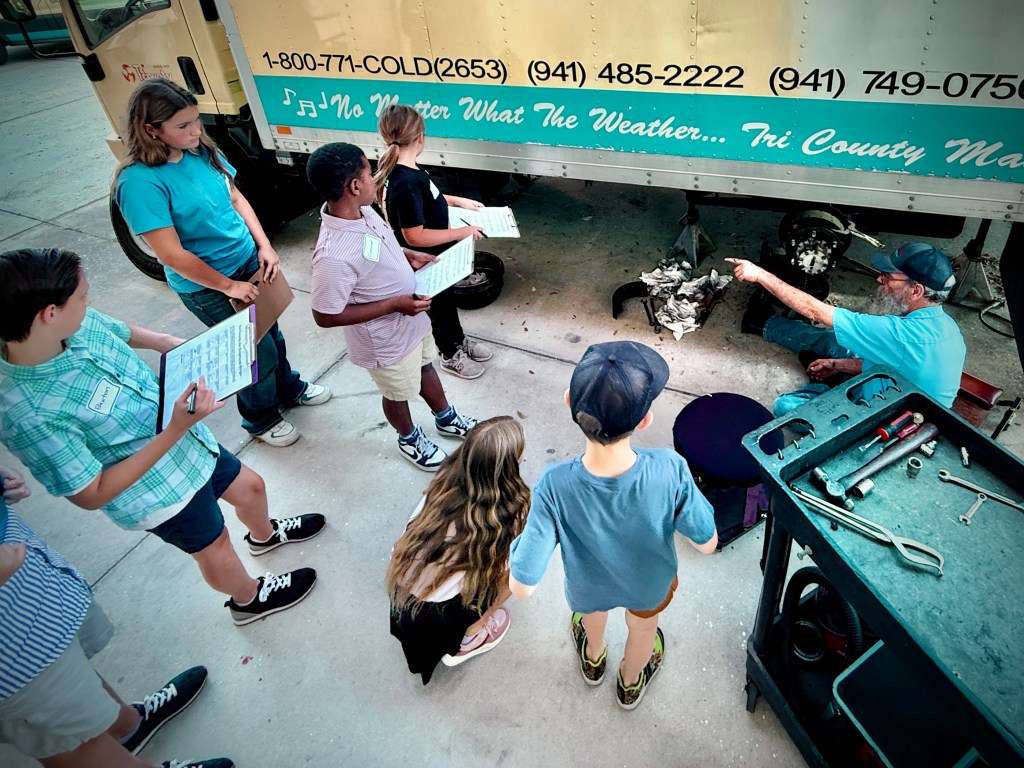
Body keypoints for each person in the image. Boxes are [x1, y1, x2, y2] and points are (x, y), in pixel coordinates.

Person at [0, 248, 322, 626]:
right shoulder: (28, 414)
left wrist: (163, 341)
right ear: (49, 314)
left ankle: (264, 536)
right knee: (215, 545)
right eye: (82, 297)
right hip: (155, 491)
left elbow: (116, 330)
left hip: (186, 444)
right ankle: (248, 600)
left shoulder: (74, 325)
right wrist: (175, 429)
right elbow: (91, 493)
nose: (88, 303)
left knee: (251, 488)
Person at [114, 78, 330, 447]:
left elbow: (235, 198)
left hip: (248, 263)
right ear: (151, 130)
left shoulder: (199, 150)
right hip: (210, 285)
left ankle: (288, 387)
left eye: (196, 120)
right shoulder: (139, 183)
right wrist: (229, 286)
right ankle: (260, 419)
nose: (196, 130)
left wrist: (264, 245)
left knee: (271, 333)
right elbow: (170, 254)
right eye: (183, 125)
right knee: (252, 351)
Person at [508, 341, 718, 710]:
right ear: (645, 420)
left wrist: (518, 545)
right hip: (649, 586)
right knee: (644, 629)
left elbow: (521, 588)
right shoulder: (670, 469)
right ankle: (630, 681)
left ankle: (593, 658)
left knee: (590, 615)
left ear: (569, 402)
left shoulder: (553, 485)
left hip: (588, 587)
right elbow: (707, 543)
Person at [0, 464, 231, 768]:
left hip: (24, 584)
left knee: (65, 669)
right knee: (66, 736)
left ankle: (127, 727)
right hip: (9, 649)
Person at [306, 142, 478, 472]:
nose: (374, 177)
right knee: (397, 392)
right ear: (354, 186)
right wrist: (393, 305)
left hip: (411, 321)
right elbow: (324, 315)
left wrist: (406, 254)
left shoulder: (364, 211)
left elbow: (380, 246)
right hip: (385, 341)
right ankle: (408, 437)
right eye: (368, 173)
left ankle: (445, 417)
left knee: (425, 367)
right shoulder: (332, 255)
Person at [728, 242, 967, 415]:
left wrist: (760, 275)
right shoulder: (947, 327)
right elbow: (896, 364)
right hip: (892, 387)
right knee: (834, 341)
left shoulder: (900, 334)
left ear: (916, 291)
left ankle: (832, 390)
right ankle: (764, 324)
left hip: (882, 419)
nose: (880, 280)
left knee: (786, 407)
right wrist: (837, 365)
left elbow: (815, 312)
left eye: (888, 277)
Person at [386, 416, 529, 684]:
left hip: (402, 592)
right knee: (522, 569)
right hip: (439, 615)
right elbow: (507, 568)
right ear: (508, 467)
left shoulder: (444, 478)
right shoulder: (508, 514)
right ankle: (471, 635)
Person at [374, 103, 493, 381]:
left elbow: (430, 198)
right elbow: (414, 235)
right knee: (438, 308)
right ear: (420, 137)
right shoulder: (405, 182)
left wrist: (458, 201)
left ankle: (459, 340)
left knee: (447, 301)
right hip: (424, 260)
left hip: (438, 256)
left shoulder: (410, 171)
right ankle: (449, 354)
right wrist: (462, 232)